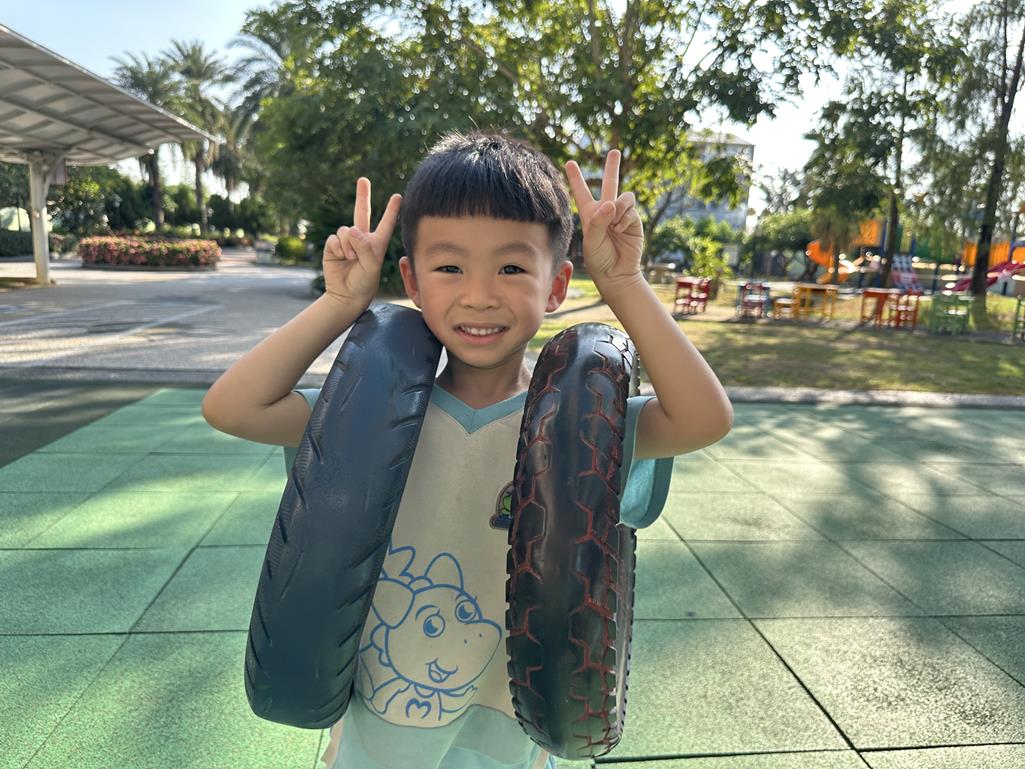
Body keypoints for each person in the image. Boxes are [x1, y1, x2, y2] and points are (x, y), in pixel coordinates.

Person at [201, 129, 734, 769]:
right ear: (412, 280)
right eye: (449, 268)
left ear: (557, 285)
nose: (479, 295)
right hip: (381, 723)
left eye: (512, 268)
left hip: (509, 725)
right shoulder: (363, 418)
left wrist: (624, 283)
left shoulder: (582, 431)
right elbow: (232, 407)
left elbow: (705, 418)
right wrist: (341, 303)